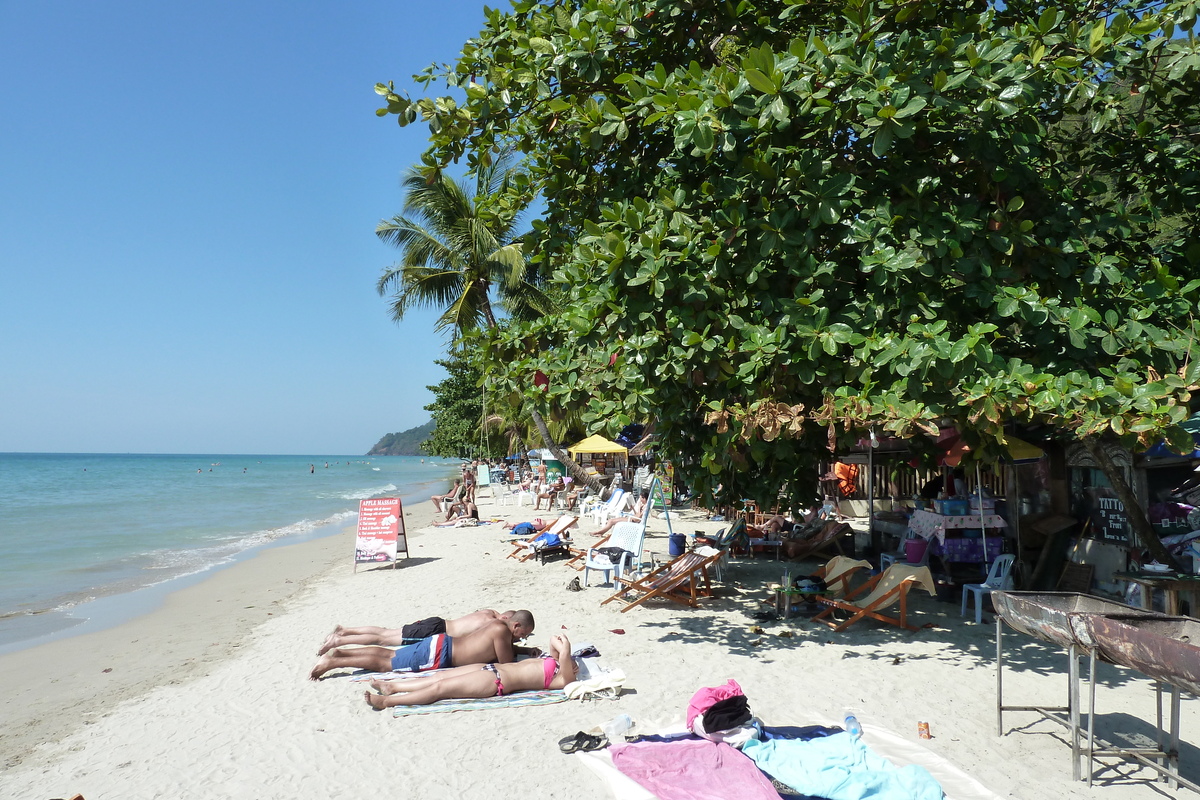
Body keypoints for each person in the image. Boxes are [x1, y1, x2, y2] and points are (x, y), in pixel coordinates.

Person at [363, 634, 577, 709]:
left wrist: (566, 649)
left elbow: (566, 666)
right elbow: (553, 641)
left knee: (440, 687)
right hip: (492, 668)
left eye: (576, 665)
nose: (575, 664)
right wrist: (562, 646)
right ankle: (392, 686)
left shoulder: (562, 678)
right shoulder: (555, 661)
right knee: (440, 676)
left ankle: (387, 702)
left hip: (496, 681)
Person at [310, 612, 537, 680]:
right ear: (515, 624)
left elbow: (501, 651)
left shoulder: (495, 626)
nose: (521, 638)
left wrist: (526, 650)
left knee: (388, 652)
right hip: (439, 654)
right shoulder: (501, 631)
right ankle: (333, 661)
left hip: (440, 642)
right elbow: (506, 662)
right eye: (522, 634)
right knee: (386, 664)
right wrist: (529, 657)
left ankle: (340, 651)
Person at [317, 609, 522, 655]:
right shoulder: (492, 623)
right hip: (435, 630)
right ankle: (338, 641)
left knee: (386, 633)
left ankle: (345, 631)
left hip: (437, 622)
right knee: (384, 639)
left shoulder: (488, 612)